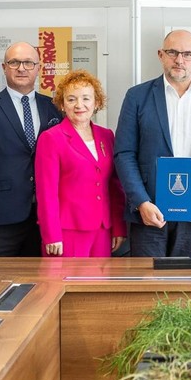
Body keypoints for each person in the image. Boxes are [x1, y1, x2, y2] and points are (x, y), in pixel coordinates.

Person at [114, 30, 191, 257]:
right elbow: (124, 153)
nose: (180, 60)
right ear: (161, 55)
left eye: (187, 54)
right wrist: (141, 202)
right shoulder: (137, 97)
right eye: (173, 52)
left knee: (189, 278)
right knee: (147, 278)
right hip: (149, 210)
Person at [0, 42, 62, 257]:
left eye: (28, 63)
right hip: (0, 218)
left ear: (38, 67)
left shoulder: (54, 106)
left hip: (43, 218)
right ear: (4, 67)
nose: (21, 68)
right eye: (14, 62)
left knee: (40, 276)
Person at [36, 70, 126, 257]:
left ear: (96, 102)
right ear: (62, 104)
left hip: (103, 229)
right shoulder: (51, 138)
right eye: (71, 99)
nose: (79, 105)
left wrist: (119, 227)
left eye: (86, 98)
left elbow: (114, 186)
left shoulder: (107, 135)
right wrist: (51, 235)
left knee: (100, 277)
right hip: (67, 231)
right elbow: (46, 192)